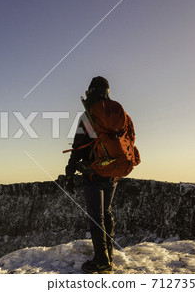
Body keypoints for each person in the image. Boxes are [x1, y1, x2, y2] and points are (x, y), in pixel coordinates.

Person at [65, 76, 117, 274]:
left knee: (96, 217)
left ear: (90, 92)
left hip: (94, 173)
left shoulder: (88, 117)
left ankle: (102, 261)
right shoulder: (116, 114)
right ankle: (109, 255)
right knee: (107, 213)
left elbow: (78, 148)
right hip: (113, 173)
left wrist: (70, 170)